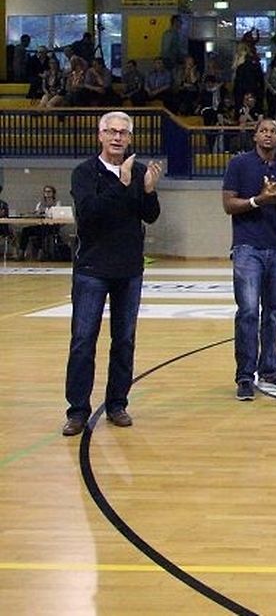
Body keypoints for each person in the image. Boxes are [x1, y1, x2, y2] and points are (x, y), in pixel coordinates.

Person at [62, 111, 162, 436]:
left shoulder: (139, 170)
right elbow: (89, 214)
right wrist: (122, 184)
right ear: (100, 135)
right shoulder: (84, 173)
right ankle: (78, 411)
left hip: (129, 269)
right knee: (83, 340)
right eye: (112, 132)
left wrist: (149, 191)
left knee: (124, 340)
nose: (117, 137)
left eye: (123, 133)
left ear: (130, 138)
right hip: (92, 268)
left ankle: (117, 404)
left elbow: (150, 216)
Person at [222, 118, 276, 401]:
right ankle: (245, 376)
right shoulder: (238, 165)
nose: (268, 135)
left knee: (272, 313)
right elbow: (228, 204)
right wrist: (259, 199)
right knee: (247, 312)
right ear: (255, 136)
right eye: (263, 131)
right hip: (247, 247)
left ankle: (269, 369)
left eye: (274, 132)